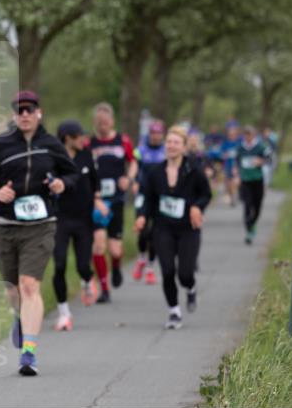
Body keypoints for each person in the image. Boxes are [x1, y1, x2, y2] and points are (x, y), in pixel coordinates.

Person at [0, 90, 79, 375]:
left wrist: (62, 184)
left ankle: (29, 352)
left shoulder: (50, 145)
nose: (25, 114)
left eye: (30, 109)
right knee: (13, 290)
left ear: (39, 113)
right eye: (20, 110)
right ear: (14, 115)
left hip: (40, 225)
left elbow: (72, 174)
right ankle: (19, 316)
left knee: (29, 285)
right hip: (6, 227)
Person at [134, 125, 211, 330]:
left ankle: (191, 287)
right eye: (169, 142)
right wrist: (142, 217)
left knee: (185, 274)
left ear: (184, 147)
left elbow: (206, 193)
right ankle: (174, 311)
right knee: (167, 271)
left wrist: (197, 206)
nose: (171, 146)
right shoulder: (154, 172)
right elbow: (147, 198)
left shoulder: (193, 169)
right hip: (163, 228)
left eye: (176, 142)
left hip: (188, 228)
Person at [51, 120, 108, 331]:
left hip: (84, 219)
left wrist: (98, 199)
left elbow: (95, 180)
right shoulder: (55, 158)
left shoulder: (86, 155)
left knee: (83, 266)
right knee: (59, 265)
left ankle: (87, 279)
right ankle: (64, 312)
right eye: (79, 136)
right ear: (67, 138)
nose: (84, 139)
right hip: (60, 218)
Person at [88, 102, 137, 302]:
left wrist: (129, 178)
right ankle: (105, 288)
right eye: (99, 123)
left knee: (115, 249)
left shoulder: (122, 141)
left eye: (106, 123)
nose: (102, 127)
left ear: (112, 121)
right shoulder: (88, 144)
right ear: (94, 123)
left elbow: (133, 161)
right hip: (97, 200)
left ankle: (116, 266)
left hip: (116, 200)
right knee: (99, 245)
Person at [131, 120, 167, 286]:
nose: (156, 136)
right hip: (142, 194)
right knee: (142, 230)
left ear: (162, 135)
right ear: (149, 134)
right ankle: (142, 258)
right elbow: (134, 166)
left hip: (159, 196)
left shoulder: (166, 151)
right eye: (153, 133)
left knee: (155, 234)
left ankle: (151, 268)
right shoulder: (140, 150)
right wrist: (132, 180)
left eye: (159, 133)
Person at [237, 125, 272, 245]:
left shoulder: (261, 147)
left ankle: (252, 224)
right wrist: (236, 173)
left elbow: (270, 159)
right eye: (245, 134)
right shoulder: (240, 148)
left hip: (258, 180)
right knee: (247, 205)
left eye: (249, 134)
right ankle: (249, 231)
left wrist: (260, 161)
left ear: (254, 135)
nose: (247, 137)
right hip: (245, 181)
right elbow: (237, 161)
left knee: (257, 207)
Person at [220, 121, 242, 206]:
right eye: (230, 130)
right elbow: (221, 153)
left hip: (238, 165)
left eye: (233, 130)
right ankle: (230, 194)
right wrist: (225, 155)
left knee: (235, 182)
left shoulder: (239, 141)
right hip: (228, 164)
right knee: (228, 183)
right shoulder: (225, 142)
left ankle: (234, 195)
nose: (232, 132)